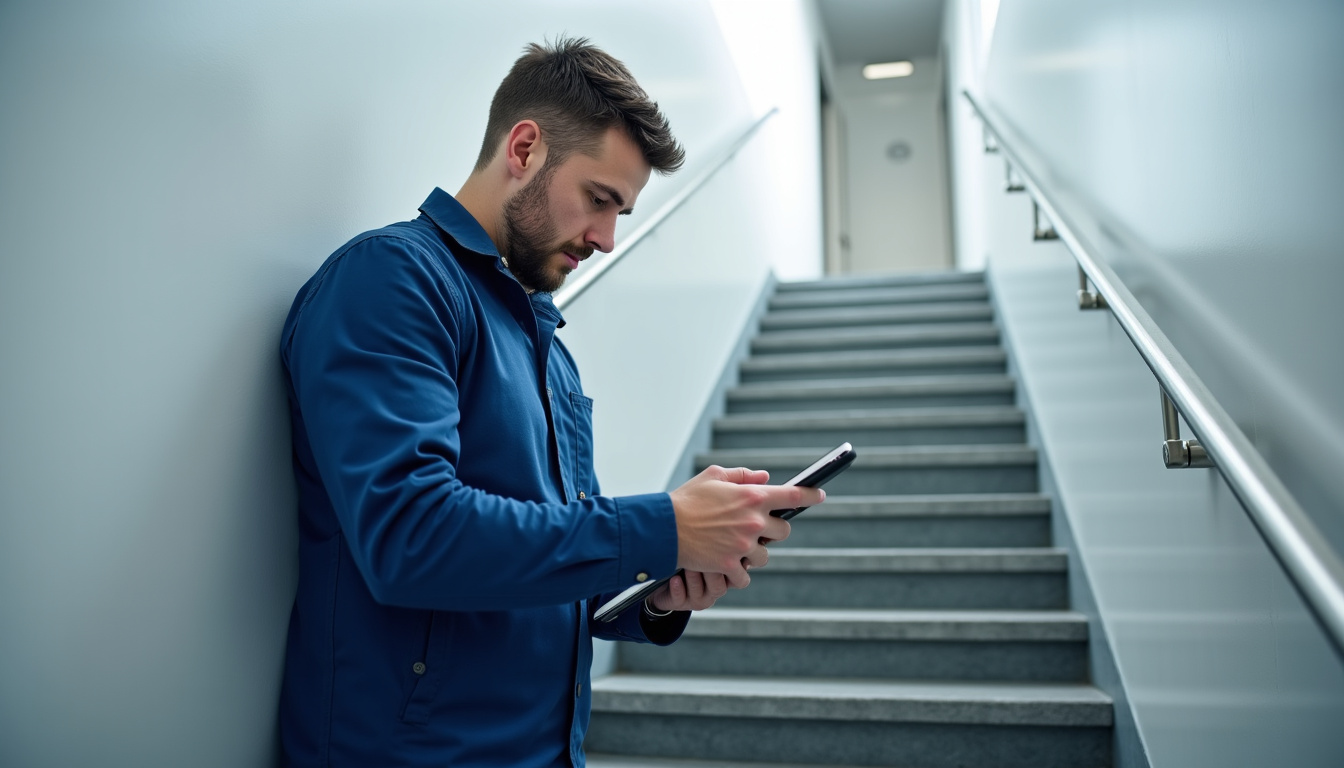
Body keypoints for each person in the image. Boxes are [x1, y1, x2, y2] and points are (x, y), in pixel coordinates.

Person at [277, 37, 822, 767]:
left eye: (623, 212)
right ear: (525, 148)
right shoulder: (392, 281)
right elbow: (410, 537)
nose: (606, 239)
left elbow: (555, 571)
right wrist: (661, 526)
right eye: (600, 200)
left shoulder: (549, 350)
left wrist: (661, 592)